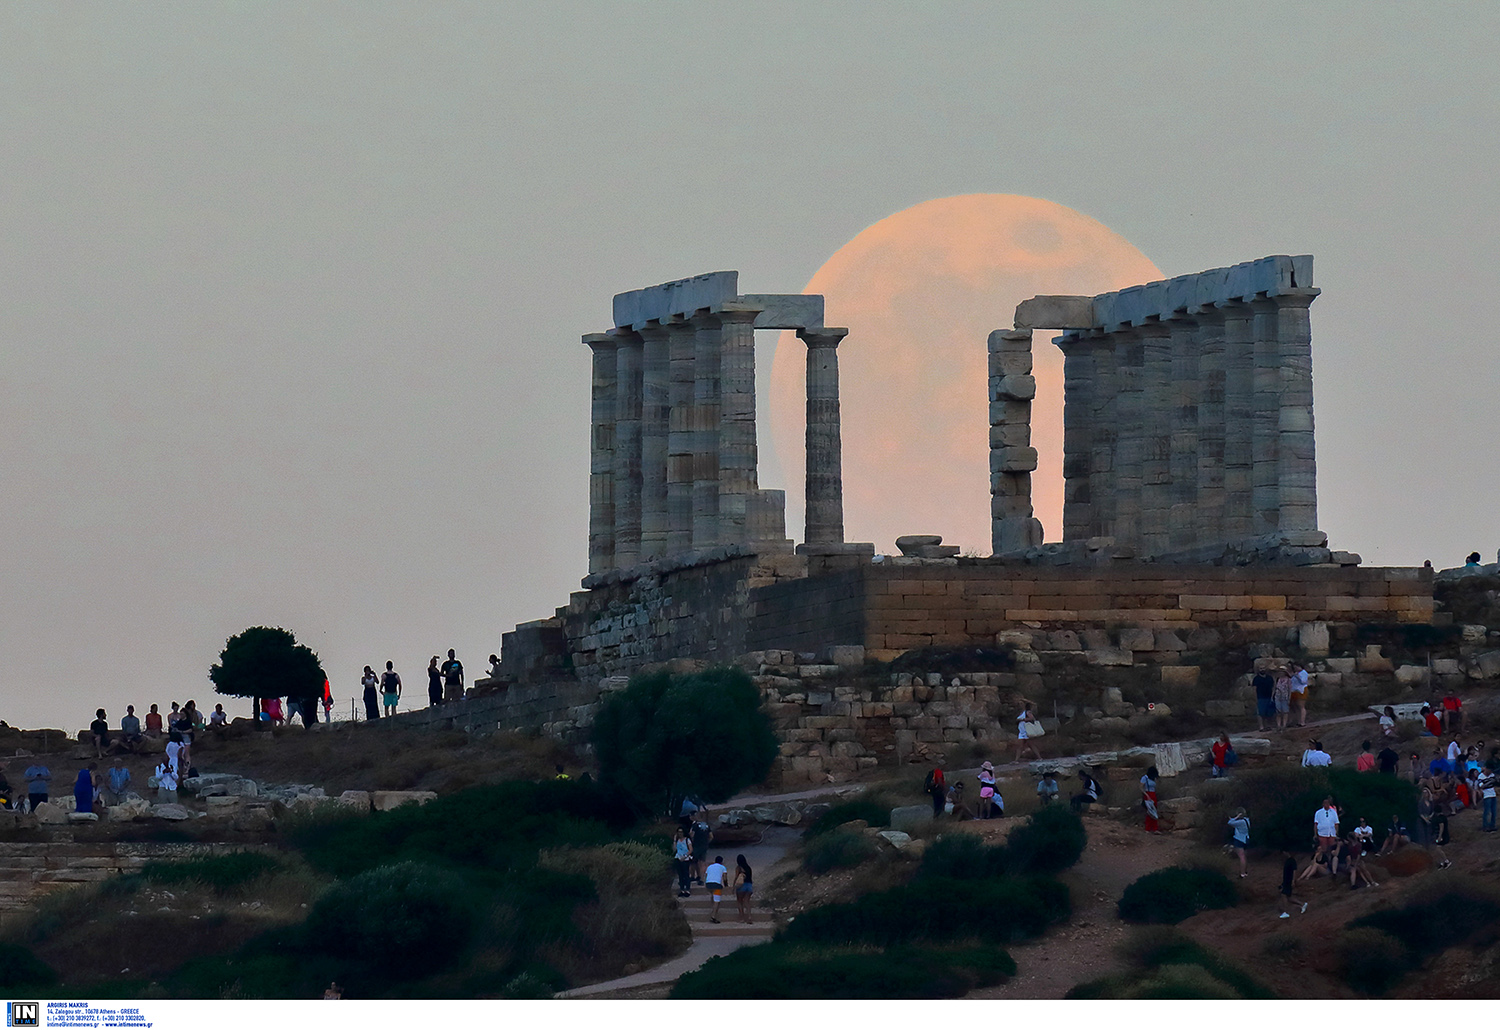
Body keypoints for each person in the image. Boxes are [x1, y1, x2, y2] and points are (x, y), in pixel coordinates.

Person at [1416, 786, 1451, 868]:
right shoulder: (1420, 803)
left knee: (1435, 846)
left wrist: (1430, 817)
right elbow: (1420, 813)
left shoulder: (1431, 803)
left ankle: (1445, 861)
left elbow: (1432, 811)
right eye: (1424, 793)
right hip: (1424, 822)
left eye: (1426, 792)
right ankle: (1441, 862)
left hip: (1431, 822)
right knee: (1432, 846)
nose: (1425, 794)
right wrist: (1425, 819)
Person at [1278, 851, 1308, 918]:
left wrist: (1293, 880)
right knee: (1289, 897)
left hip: (1289, 880)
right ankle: (1302, 904)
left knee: (1284, 895)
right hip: (1286, 880)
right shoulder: (1288, 861)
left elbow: (1294, 871)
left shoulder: (1292, 861)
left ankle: (1285, 912)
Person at [703, 854, 728, 924]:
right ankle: (713, 916)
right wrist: (726, 885)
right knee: (717, 901)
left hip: (708, 884)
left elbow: (706, 875)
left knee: (712, 895)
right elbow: (725, 878)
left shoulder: (710, 867)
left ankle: (712, 908)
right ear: (721, 862)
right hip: (717, 885)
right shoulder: (723, 867)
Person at [1227, 808, 1250, 877]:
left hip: (1239, 839)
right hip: (1246, 839)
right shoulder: (1247, 820)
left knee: (1241, 857)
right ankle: (1245, 872)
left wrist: (1235, 818)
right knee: (1244, 856)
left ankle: (1242, 874)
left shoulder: (1240, 822)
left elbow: (1230, 822)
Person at [1252, 665, 1276, 731]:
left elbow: (1273, 686)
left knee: (1269, 713)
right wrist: (1255, 697)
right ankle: (1261, 727)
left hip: (1269, 696)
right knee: (1260, 712)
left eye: (1263, 668)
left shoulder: (1269, 678)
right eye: (1261, 668)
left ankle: (1268, 726)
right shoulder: (1256, 678)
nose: (1262, 669)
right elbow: (1254, 689)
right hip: (1260, 697)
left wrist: (1273, 695)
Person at [732, 854, 754, 924]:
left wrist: (733, 887)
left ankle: (742, 918)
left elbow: (736, 877)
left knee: (739, 901)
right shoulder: (748, 868)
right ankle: (749, 917)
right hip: (749, 886)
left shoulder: (739, 868)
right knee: (747, 902)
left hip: (742, 885)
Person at [690, 812, 712, 884]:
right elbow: (711, 836)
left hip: (696, 845)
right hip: (704, 846)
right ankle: (701, 878)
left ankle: (695, 876)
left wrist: (691, 842)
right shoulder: (706, 825)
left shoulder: (695, 825)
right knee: (702, 862)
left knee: (694, 861)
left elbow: (692, 834)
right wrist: (707, 842)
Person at [672, 827, 693, 898]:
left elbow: (690, 850)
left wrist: (685, 856)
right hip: (678, 858)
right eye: (678, 832)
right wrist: (674, 840)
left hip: (685, 859)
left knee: (686, 874)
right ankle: (682, 889)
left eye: (681, 832)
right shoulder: (678, 840)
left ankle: (687, 889)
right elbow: (674, 849)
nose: (680, 833)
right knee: (680, 875)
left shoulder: (687, 840)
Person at [1289, 663, 1309, 727]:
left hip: (1301, 690)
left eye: (1297, 667)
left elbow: (1303, 681)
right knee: (1296, 706)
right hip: (1294, 691)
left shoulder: (1304, 673)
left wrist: (1297, 676)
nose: (1296, 668)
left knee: (1301, 706)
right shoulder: (1294, 674)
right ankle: (1298, 721)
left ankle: (1302, 721)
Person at [1140, 766, 1160, 833]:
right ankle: (1147, 828)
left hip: (1153, 794)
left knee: (1154, 811)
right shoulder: (1144, 778)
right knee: (1150, 812)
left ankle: (1155, 828)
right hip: (1148, 795)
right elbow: (1141, 787)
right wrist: (1146, 795)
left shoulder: (1153, 779)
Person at [1478, 765, 1497, 832]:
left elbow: (1494, 783)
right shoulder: (1481, 776)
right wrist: (1490, 782)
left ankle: (1492, 825)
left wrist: (1487, 783)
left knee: (1494, 811)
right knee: (1487, 811)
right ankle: (1485, 826)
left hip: (1493, 794)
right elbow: (1482, 786)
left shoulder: (1492, 775)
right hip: (1486, 795)